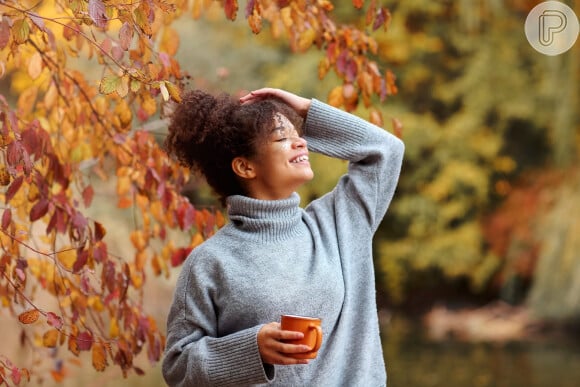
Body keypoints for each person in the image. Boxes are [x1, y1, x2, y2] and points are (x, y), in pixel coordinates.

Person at [161, 87, 405, 386]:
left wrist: (306, 112)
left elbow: (386, 151)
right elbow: (177, 367)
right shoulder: (210, 262)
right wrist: (252, 349)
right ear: (245, 166)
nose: (301, 142)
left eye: (297, 134)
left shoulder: (338, 224)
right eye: (282, 139)